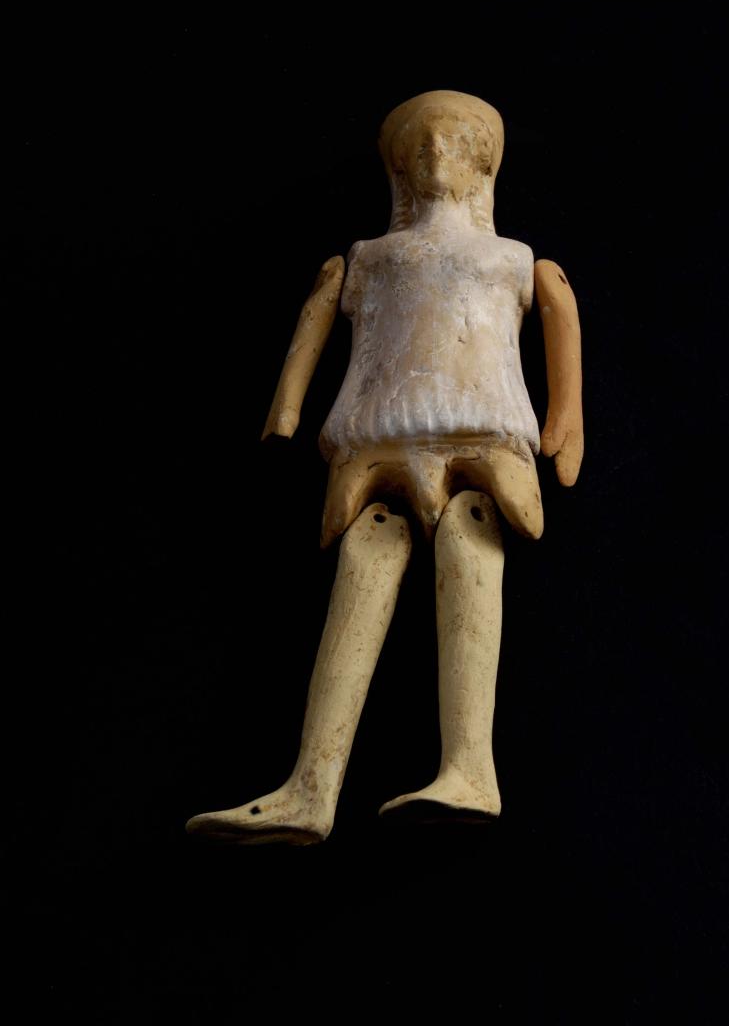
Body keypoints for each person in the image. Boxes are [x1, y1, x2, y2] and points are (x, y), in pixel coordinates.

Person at [185, 90, 583, 844]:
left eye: (454, 143)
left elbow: (561, 313)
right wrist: (285, 409)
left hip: (484, 430)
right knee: (370, 548)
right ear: (399, 167)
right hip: (378, 435)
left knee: (470, 535)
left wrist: (567, 424)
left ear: (484, 164)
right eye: (420, 146)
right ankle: (311, 786)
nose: (436, 156)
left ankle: (471, 768)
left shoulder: (512, 260)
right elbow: (316, 318)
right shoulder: (369, 258)